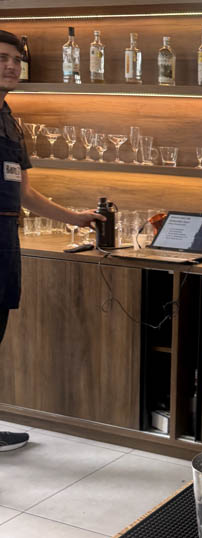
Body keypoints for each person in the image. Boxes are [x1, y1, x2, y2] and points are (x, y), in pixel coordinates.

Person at [0, 30, 103, 451]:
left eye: (15, 59)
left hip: (6, 238)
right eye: (2, 58)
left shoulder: (10, 121)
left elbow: (24, 192)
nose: (11, 65)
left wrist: (74, 218)